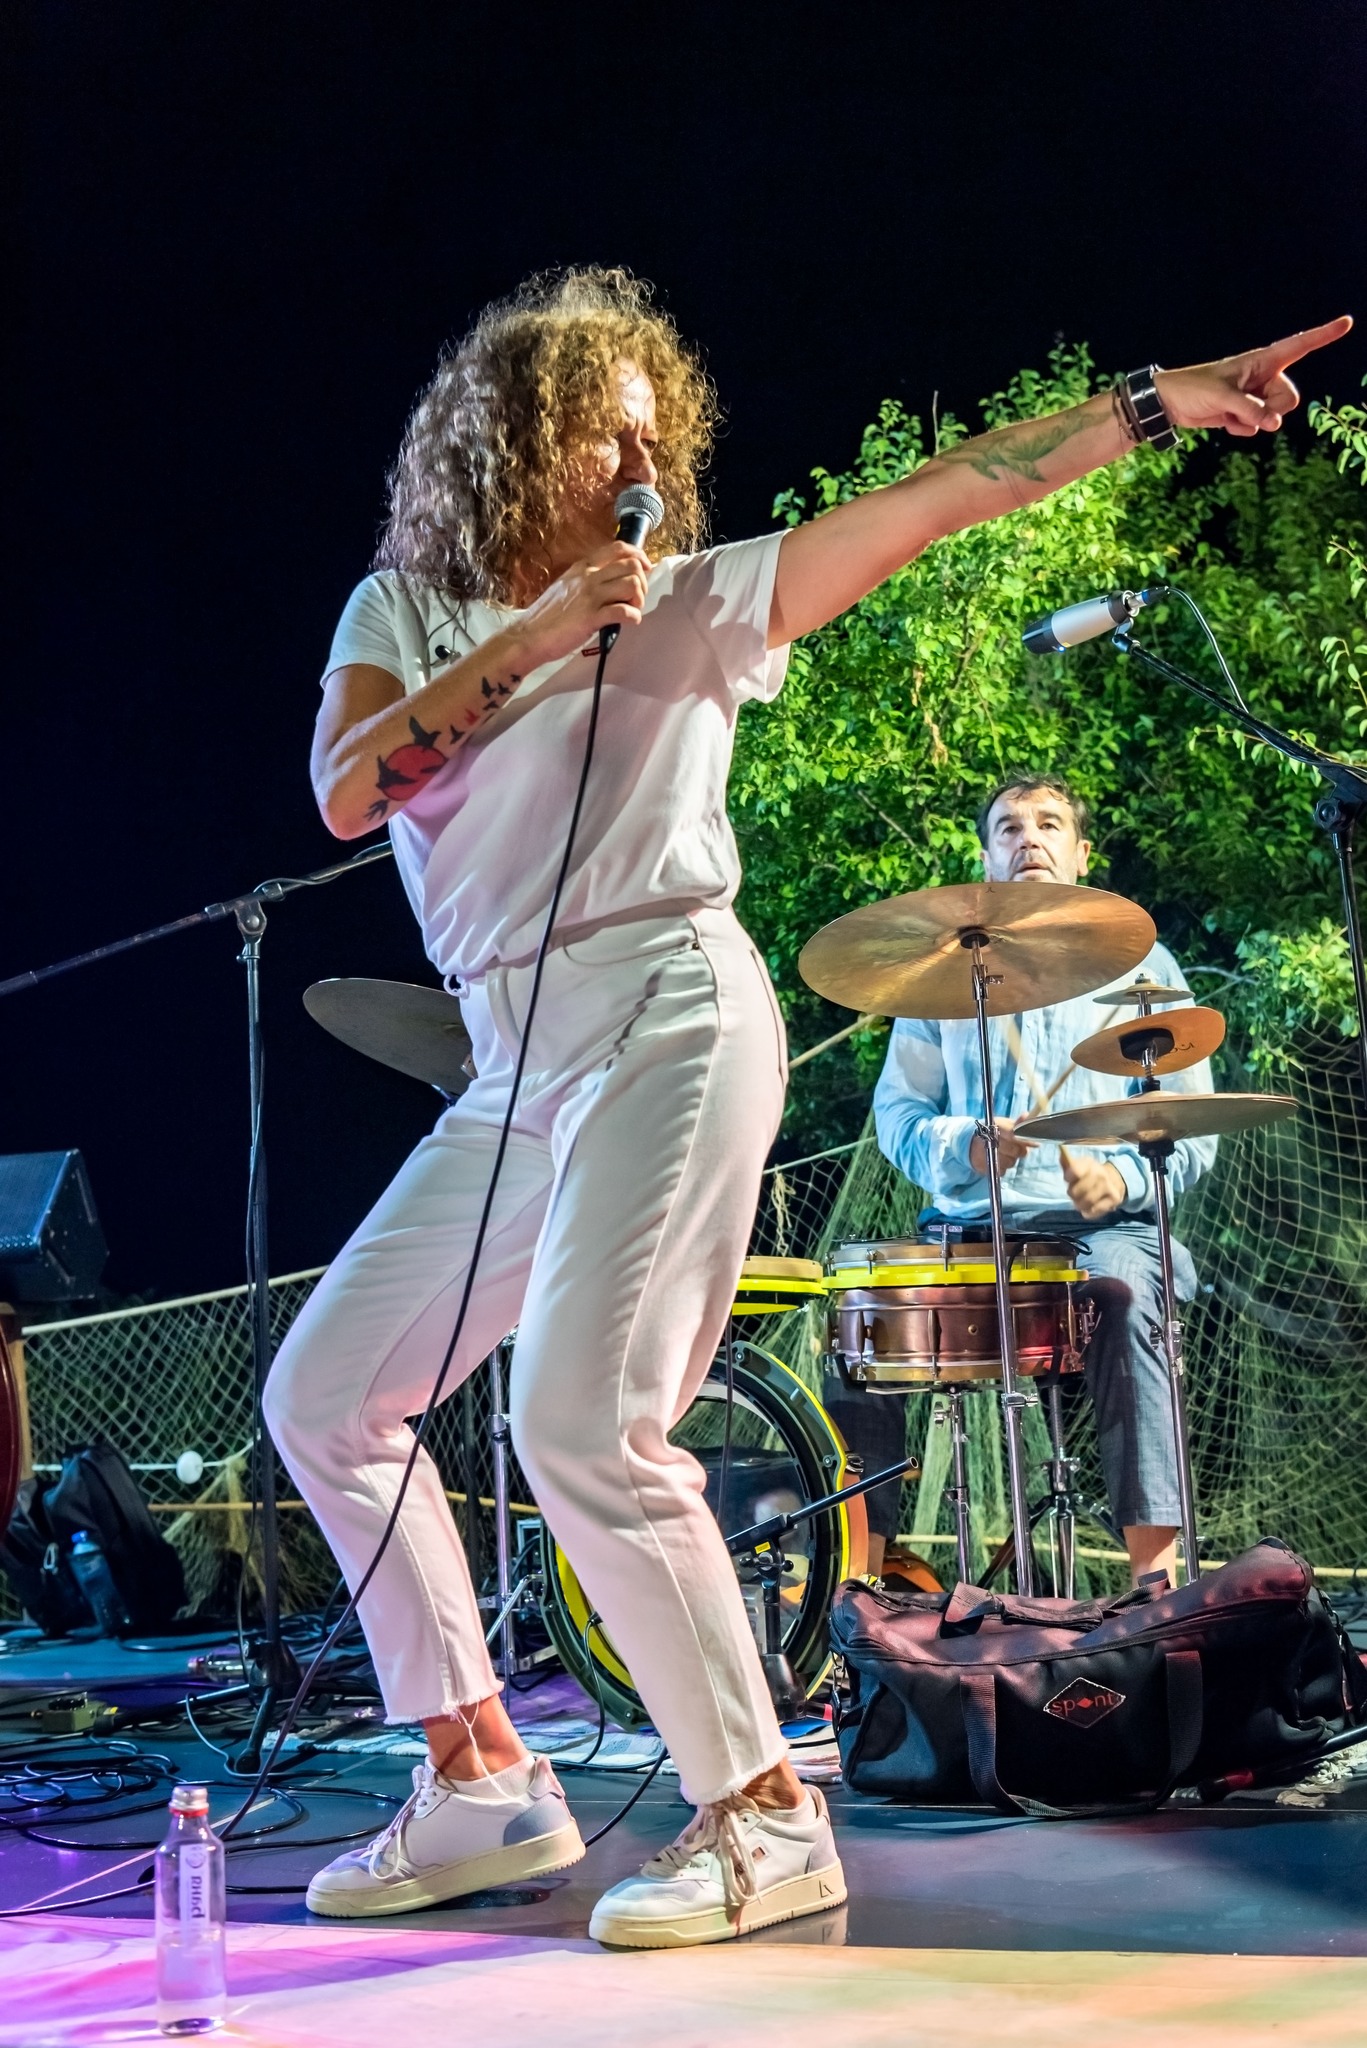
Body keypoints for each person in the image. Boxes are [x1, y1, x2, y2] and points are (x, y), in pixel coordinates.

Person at [265, 267, 1345, 1945]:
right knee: (327, 1394)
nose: (641, 460)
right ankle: (479, 1775)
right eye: (605, 428)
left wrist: (1153, 400)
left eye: (657, 434)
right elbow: (351, 789)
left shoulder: (697, 600)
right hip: (511, 1062)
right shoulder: (401, 609)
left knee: (579, 1419)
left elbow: (942, 491)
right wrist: (542, 639)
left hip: (671, 1012)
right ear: (513, 436)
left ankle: (763, 1814)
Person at [847, 775, 1214, 1589]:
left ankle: (1156, 1586)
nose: (1028, 839)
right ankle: (861, 1583)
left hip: (1100, 1235)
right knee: (866, 1313)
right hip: (969, 1230)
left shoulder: (1144, 970)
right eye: (1008, 828)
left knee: (1124, 1293)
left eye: (1047, 824)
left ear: (1080, 855)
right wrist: (964, 1145)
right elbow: (898, 1116)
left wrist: (1119, 1180)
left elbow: (1186, 1129)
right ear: (987, 858)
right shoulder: (942, 975)